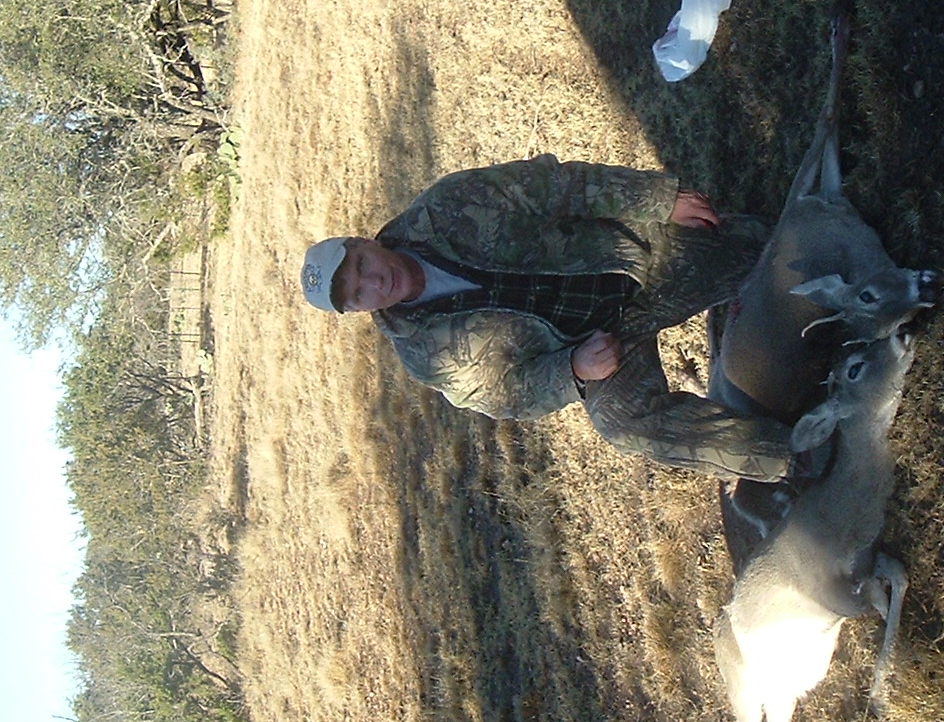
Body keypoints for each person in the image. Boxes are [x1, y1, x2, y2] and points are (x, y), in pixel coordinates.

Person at [300, 154, 804, 481]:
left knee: (786, 256)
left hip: (639, 257)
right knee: (624, 424)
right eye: (357, 295)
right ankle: (798, 456)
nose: (374, 283)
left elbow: (557, 186)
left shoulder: (447, 207)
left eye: (360, 266)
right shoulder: (423, 354)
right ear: (356, 310)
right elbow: (506, 393)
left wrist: (659, 200)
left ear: (362, 242)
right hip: (602, 343)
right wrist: (573, 371)